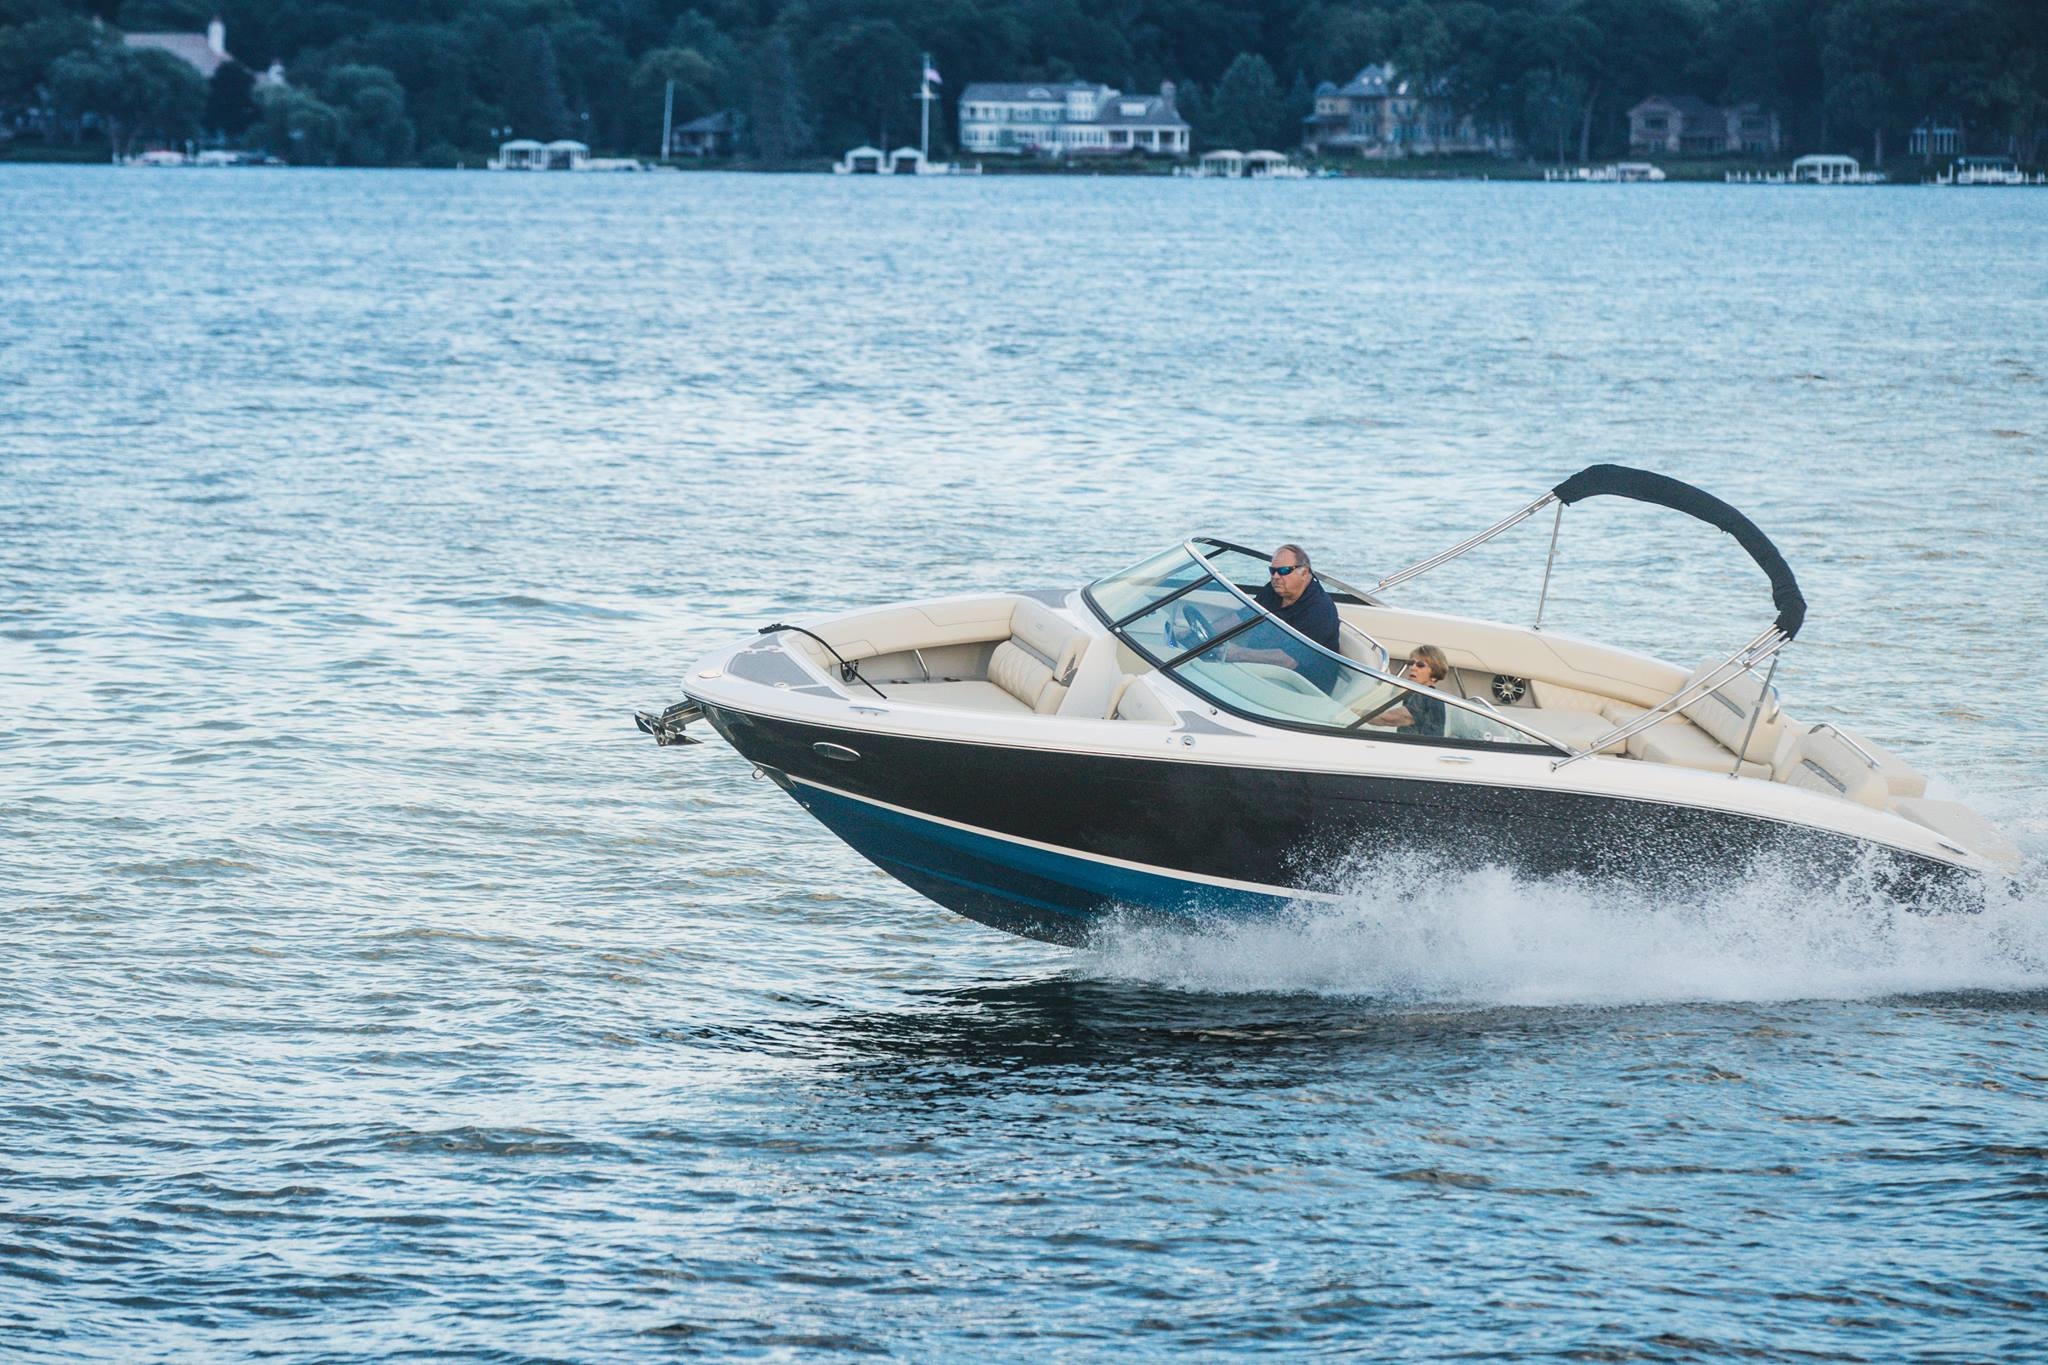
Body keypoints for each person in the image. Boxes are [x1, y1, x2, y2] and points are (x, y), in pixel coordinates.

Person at [1224, 543, 1342, 691]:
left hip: (1299, 686)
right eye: (1272, 570)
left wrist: (1236, 654)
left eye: (1283, 571)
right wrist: (1201, 632)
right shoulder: (1274, 591)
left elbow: (1288, 660)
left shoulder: (1320, 610)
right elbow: (1241, 617)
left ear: (1304, 573)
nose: (1275, 576)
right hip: (1262, 672)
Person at [1366, 644, 1450, 736]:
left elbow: (1388, 719)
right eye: (1411, 663)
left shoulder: (1426, 697)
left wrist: (1351, 712)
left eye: (1420, 665)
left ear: (1434, 675)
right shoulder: (1416, 695)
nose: (1413, 668)